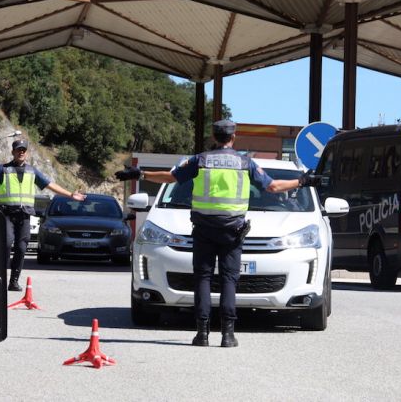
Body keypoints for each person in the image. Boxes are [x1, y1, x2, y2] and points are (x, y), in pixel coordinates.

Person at [115, 119, 317, 347]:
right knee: (229, 279)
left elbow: (171, 177)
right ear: (233, 137)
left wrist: (140, 175)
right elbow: (273, 187)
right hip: (232, 231)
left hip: (203, 230)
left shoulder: (199, 160)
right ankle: (228, 335)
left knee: (203, 277)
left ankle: (202, 334)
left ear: (214, 137)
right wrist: (302, 181)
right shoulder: (244, 163)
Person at [0, 139, 86, 291]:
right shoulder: (3, 169)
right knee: (6, 244)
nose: (21, 152)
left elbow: (50, 185)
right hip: (7, 214)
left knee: (21, 248)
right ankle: (0, 278)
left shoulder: (32, 171)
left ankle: (13, 281)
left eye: (24, 150)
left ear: (27, 153)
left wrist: (70, 194)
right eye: (18, 149)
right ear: (13, 152)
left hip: (24, 215)